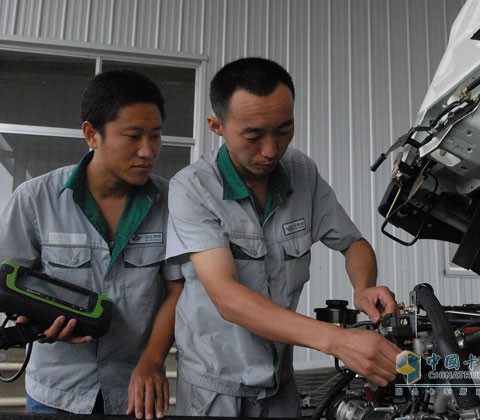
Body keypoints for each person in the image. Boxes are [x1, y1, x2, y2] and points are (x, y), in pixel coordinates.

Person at [165, 57, 402, 418]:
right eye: (253, 135)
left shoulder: (301, 172)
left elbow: (353, 243)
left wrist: (364, 286)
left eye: (284, 130)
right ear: (217, 126)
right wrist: (338, 341)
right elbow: (228, 298)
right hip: (214, 388)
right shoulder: (193, 188)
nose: (271, 150)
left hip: (280, 382)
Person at [0, 69, 183, 419]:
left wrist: (152, 361)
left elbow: (178, 290)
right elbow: (7, 283)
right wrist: (35, 319)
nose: (148, 151)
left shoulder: (172, 202)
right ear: (91, 134)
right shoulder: (35, 199)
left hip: (136, 390)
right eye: (133, 136)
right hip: (57, 392)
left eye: (156, 136)